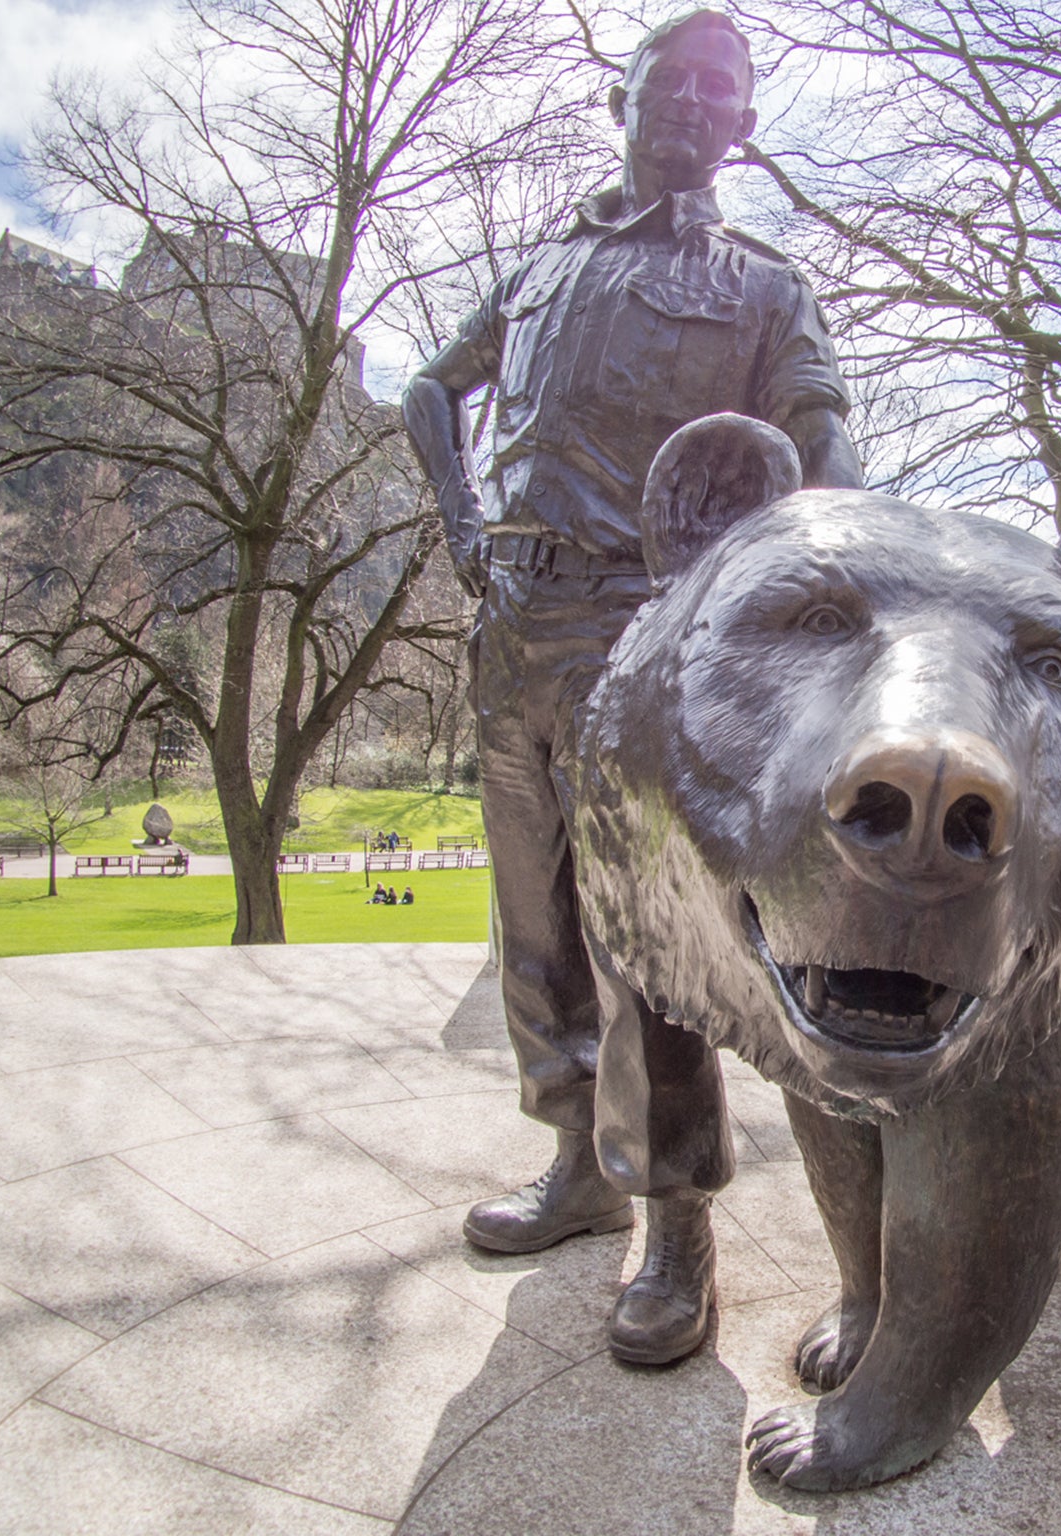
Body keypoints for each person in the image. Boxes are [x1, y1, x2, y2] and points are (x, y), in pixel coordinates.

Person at [401, 10, 860, 1367]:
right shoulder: (547, 260)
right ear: (628, 95)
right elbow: (431, 388)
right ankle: (578, 1167)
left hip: (641, 632)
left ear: (744, 130)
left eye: (725, 88)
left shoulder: (766, 287)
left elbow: (821, 443)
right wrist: (457, 524)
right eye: (676, 76)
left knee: (644, 945)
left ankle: (676, 1232)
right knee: (533, 932)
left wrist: (830, 564)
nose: (696, 100)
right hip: (511, 626)